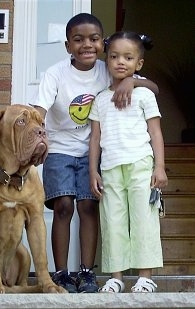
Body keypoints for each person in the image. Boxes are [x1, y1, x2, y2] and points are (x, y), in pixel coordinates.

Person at [32, 14, 159, 293]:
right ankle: (62, 273)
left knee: (88, 207)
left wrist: (132, 83)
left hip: (93, 150)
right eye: (78, 40)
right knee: (63, 206)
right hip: (60, 149)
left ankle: (87, 273)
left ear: (102, 44)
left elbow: (152, 87)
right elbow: (38, 112)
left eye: (93, 39)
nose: (86, 45)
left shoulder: (108, 67)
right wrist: (31, 138)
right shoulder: (56, 74)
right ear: (67, 46)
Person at [89, 31, 168, 293]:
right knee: (113, 221)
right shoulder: (100, 99)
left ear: (139, 64)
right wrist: (93, 171)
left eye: (128, 57)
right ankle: (116, 277)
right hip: (110, 168)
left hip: (141, 165)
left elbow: (155, 132)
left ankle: (145, 276)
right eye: (114, 56)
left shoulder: (145, 95)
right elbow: (95, 138)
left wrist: (159, 167)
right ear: (106, 60)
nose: (120, 62)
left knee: (144, 218)